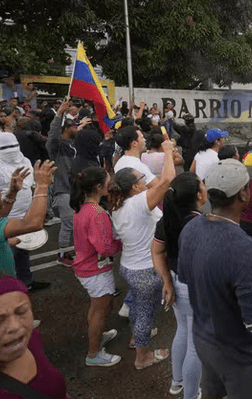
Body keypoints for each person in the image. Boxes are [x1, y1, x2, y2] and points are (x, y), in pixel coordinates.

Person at [177, 159, 252, 399]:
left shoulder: (191, 228)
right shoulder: (245, 248)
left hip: (204, 342)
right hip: (239, 354)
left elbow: (188, 279)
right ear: (243, 195)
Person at [108, 139, 175, 370]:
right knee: (146, 312)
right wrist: (167, 152)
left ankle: (137, 338)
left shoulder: (119, 204)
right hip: (146, 270)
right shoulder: (138, 202)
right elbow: (166, 181)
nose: (146, 180)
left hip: (129, 267)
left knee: (138, 305)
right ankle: (142, 357)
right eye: (141, 178)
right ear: (135, 187)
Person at [151, 172, 206, 398]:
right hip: (193, 288)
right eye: (203, 185)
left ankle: (177, 381)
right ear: (197, 195)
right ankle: (191, 395)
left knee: (181, 330)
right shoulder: (199, 224)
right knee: (195, 346)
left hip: (173, 281)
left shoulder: (167, 219)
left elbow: (157, 251)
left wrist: (167, 281)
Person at [70, 166, 123, 367]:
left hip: (85, 267)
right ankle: (94, 353)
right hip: (95, 269)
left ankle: (98, 335)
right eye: (108, 183)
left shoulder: (81, 208)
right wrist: (121, 243)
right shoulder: (97, 213)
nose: (110, 186)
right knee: (100, 310)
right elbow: (105, 247)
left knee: (97, 308)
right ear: (99, 186)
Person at [0, 133, 50, 291]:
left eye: (13, 146)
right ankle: (10, 288)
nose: (11, 151)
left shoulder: (25, 160)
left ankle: (27, 281)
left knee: (24, 251)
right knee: (7, 254)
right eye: (5, 148)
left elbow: (31, 185)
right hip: (5, 217)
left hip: (26, 213)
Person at [46, 101, 81, 266]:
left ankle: (74, 251)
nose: (76, 129)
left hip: (76, 190)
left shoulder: (74, 145)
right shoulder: (57, 147)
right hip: (64, 191)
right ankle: (62, 255)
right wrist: (59, 114)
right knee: (68, 225)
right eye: (74, 127)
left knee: (77, 225)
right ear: (66, 129)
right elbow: (52, 135)